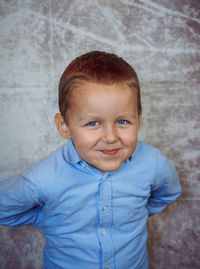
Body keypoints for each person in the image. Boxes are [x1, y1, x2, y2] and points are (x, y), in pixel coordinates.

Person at [0, 51, 181, 269]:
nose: (111, 137)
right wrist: (48, 218)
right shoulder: (45, 177)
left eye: (122, 121)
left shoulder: (153, 163)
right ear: (64, 126)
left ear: (139, 118)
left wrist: (138, 210)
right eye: (93, 123)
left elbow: (167, 192)